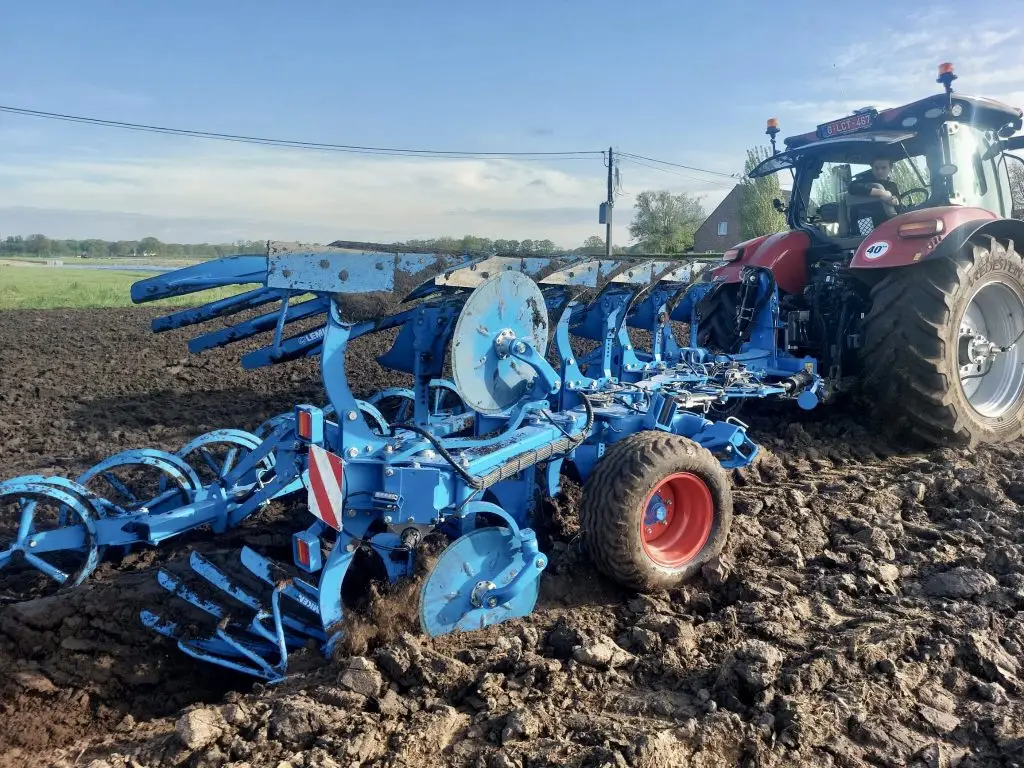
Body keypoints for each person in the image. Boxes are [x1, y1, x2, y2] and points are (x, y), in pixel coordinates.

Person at [846, 156, 900, 231]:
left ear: (890, 168)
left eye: (883, 168)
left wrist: (894, 200)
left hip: (887, 223)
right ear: (872, 168)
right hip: (865, 222)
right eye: (876, 168)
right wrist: (881, 193)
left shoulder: (892, 185)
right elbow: (852, 187)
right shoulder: (865, 181)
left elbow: (897, 200)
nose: (879, 171)